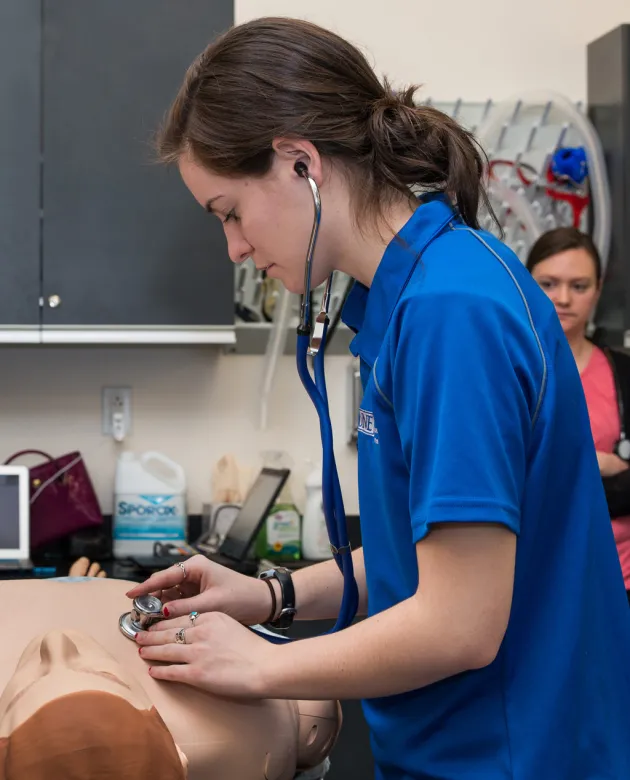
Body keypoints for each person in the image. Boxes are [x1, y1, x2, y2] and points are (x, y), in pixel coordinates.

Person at [126, 16, 630, 780]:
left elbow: (460, 625)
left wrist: (259, 666)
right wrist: (269, 597)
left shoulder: (451, 312)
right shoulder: (421, 293)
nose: (235, 247)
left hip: (509, 757)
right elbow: (425, 561)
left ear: (300, 162)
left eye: (230, 212)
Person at [0, 575, 340, 780]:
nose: (57, 641)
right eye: (105, 676)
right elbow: (317, 699)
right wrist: (272, 613)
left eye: (23, 693)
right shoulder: (254, 729)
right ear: (179, 760)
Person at [527, 226, 630, 601]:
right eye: (548, 284)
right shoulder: (507, 372)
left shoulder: (623, 373)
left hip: (619, 578)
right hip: (538, 579)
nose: (564, 298)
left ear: (598, 290)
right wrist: (596, 463)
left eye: (579, 286)